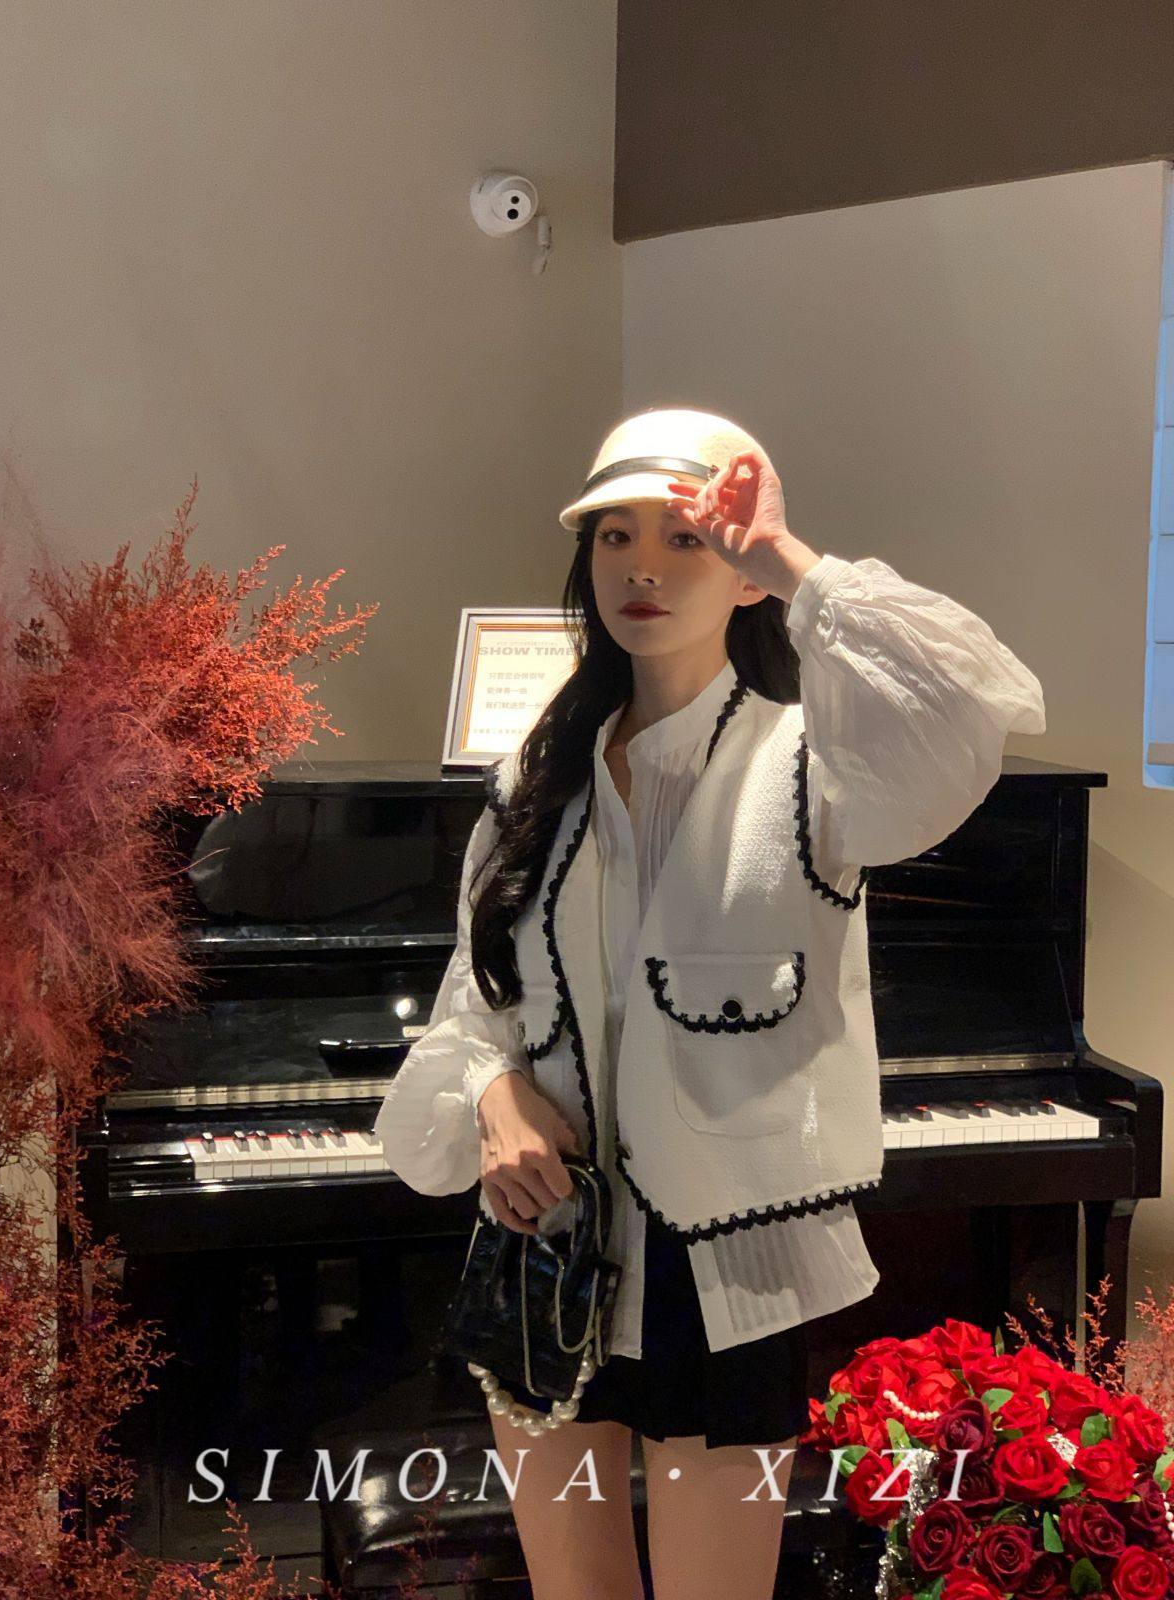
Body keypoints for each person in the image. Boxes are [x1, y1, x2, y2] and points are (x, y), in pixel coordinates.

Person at [374, 406, 1047, 1600]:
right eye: (615, 536)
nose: (642, 566)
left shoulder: (818, 771)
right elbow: (469, 1009)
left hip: (723, 1276)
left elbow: (969, 707)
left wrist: (787, 559)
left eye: (685, 538)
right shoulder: (534, 776)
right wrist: (491, 1094)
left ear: (739, 576)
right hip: (543, 1254)